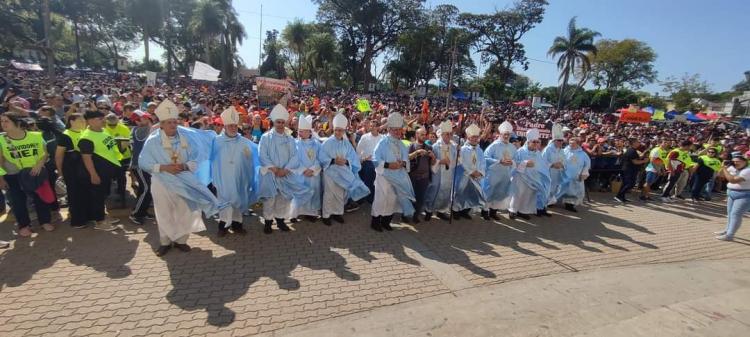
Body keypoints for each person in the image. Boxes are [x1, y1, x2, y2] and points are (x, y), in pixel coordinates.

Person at [139, 99, 227, 256]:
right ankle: (165, 242)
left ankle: (181, 240)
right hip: (162, 181)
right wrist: (165, 168)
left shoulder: (187, 137)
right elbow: (144, 162)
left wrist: (185, 166)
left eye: (175, 121)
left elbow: (197, 157)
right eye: (169, 122)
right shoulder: (153, 141)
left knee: (185, 210)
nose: (173, 125)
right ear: (162, 124)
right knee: (164, 211)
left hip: (184, 178)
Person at [257, 104, 312, 234]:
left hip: (285, 174)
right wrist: (275, 169)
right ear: (273, 122)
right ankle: (268, 222)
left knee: (283, 198)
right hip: (271, 174)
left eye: (282, 122)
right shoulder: (266, 137)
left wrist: (285, 170)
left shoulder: (290, 138)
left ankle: (280, 220)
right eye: (278, 122)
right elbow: (262, 154)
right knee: (270, 199)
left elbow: (295, 156)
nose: (280, 124)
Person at [0, 112, 55, 237]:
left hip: (35, 172)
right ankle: (24, 225)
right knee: (18, 201)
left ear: (18, 123)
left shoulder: (35, 135)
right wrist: (1, 178)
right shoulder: (1, 139)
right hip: (13, 174)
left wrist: (39, 164)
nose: (3, 124)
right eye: (2, 121)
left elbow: (44, 153)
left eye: (6, 121)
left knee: (40, 197)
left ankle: (45, 221)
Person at [211, 106, 258, 237]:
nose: (233, 128)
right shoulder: (216, 141)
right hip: (223, 178)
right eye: (230, 126)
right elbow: (210, 159)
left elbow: (251, 159)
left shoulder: (244, 142)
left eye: (235, 126)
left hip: (239, 177)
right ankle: (223, 226)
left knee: (238, 200)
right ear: (225, 126)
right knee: (224, 202)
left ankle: (237, 225)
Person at [319, 113, 370, 226]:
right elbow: (321, 157)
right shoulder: (327, 143)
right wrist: (333, 161)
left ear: (344, 130)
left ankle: (337, 213)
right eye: (336, 130)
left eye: (341, 130)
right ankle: (326, 215)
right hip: (330, 172)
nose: (338, 132)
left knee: (340, 193)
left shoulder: (347, 144)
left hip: (343, 172)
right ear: (334, 129)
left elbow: (353, 158)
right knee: (329, 194)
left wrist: (347, 161)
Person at [371, 112, 415, 232]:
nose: (397, 132)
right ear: (389, 129)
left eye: (399, 130)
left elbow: (406, 159)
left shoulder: (401, 144)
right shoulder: (382, 142)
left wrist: (403, 164)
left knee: (392, 199)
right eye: (394, 130)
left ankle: (386, 222)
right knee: (381, 198)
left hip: (398, 176)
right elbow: (375, 159)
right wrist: (388, 165)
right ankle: (375, 222)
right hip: (384, 176)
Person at [79, 109, 122, 230]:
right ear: (90, 121)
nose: (104, 120)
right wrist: (93, 174)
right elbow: (86, 158)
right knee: (97, 196)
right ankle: (99, 222)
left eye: (103, 118)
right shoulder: (86, 138)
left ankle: (102, 216)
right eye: (100, 119)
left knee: (103, 195)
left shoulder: (103, 130)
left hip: (107, 171)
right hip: (98, 172)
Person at [509, 129, 551, 220]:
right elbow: (514, 163)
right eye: (534, 142)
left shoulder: (538, 153)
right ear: (528, 142)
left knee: (529, 195)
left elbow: (542, 165)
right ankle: (513, 210)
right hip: (521, 177)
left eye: (537, 142)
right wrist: (525, 163)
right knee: (518, 194)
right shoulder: (520, 151)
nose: (536, 143)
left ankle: (523, 211)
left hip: (534, 179)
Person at [55, 113, 88, 228]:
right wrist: (60, 172)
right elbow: (59, 156)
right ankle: (77, 220)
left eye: (84, 120)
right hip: (71, 169)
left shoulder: (83, 132)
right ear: (72, 121)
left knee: (84, 192)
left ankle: (85, 216)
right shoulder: (66, 135)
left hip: (83, 168)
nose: (83, 122)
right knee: (74, 194)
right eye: (80, 120)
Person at [482, 121, 516, 220]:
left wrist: (512, 162)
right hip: (493, 174)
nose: (506, 136)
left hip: (505, 174)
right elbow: (485, 157)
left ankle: (493, 211)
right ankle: (484, 211)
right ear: (500, 134)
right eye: (505, 134)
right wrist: (499, 161)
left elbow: (516, 160)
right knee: (490, 192)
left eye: (508, 135)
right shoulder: (494, 145)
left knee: (500, 193)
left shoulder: (512, 147)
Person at [452, 124, 487, 220]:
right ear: (468, 137)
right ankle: (455, 210)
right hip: (465, 176)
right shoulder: (463, 149)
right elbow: (461, 162)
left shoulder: (480, 150)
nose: (475, 139)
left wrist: (480, 172)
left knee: (472, 194)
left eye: (476, 137)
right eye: (473, 137)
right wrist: (471, 172)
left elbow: (483, 162)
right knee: (461, 193)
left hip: (476, 176)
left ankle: (465, 211)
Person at [424, 121, 457, 221]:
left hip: (448, 173)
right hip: (437, 173)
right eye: (447, 134)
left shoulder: (453, 146)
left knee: (446, 192)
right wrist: (440, 161)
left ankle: (441, 211)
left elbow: (455, 160)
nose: (449, 136)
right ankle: (428, 210)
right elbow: (430, 161)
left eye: (451, 134)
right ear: (442, 134)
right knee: (434, 191)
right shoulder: (435, 146)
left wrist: (458, 155)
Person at [291, 115, 322, 221]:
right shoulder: (295, 144)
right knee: (299, 192)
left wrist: (313, 169)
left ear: (309, 132)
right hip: (300, 174)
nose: (300, 133)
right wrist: (303, 169)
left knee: (313, 191)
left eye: (303, 131)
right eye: (299, 131)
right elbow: (293, 159)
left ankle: (311, 213)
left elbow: (320, 158)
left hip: (313, 174)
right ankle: (296, 213)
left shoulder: (317, 144)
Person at [715, 152, 750, 241]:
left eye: (738, 161)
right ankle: (727, 230)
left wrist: (725, 169)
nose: (736, 163)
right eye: (734, 161)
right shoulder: (732, 168)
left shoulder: (747, 170)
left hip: (744, 195)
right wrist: (723, 167)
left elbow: (733, 180)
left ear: (745, 162)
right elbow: (720, 176)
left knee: (736, 215)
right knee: (730, 214)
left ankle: (730, 235)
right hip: (731, 194)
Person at [129, 113, 156, 225]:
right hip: (139, 165)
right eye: (142, 118)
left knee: (143, 189)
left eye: (146, 117)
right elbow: (154, 127)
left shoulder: (145, 128)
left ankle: (142, 211)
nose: (146, 119)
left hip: (144, 164)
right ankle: (136, 214)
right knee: (147, 189)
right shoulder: (139, 130)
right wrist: (165, 119)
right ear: (136, 121)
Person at [553, 137, 591, 212]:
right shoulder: (563, 151)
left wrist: (584, 173)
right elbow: (558, 160)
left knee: (572, 191)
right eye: (570, 143)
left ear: (578, 144)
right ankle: (552, 202)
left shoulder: (583, 154)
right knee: (559, 189)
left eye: (573, 143)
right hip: (563, 175)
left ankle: (569, 205)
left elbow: (587, 165)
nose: (571, 145)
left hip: (575, 177)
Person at [407, 127, 435, 223]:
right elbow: (406, 159)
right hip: (413, 176)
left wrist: (433, 157)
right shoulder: (411, 146)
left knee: (420, 198)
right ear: (416, 135)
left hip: (424, 177)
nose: (424, 136)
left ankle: (416, 215)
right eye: (421, 134)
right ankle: (406, 214)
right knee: (410, 196)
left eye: (425, 134)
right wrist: (417, 152)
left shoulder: (429, 147)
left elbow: (432, 163)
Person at [104, 112, 132, 206]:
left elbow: (127, 141)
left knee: (121, 176)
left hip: (123, 156)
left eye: (114, 124)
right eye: (110, 125)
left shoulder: (123, 128)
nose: (112, 126)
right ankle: (106, 193)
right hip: (108, 157)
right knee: (107, 176)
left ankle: (122, 194)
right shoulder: (103, 128)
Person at [356, 119, 383, 204]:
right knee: (367, 182)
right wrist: (363, 158)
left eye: (374, 126)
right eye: (371, 125)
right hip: (368, 163)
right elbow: (358, 150)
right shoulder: (365, 137)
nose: (371, 127)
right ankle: (366, 199)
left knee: (376, 183)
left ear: (378, 127)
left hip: (378, 164)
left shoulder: (382, 138)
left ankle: (373, 199)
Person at [615, 138, 648, 203]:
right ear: (633, 143)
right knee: (629, 184)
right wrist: (644, 161)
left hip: (631, 169)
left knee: (626, 184)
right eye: (637, 142)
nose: (639, 143)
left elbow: (637, 158)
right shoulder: (631, 151)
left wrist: (644, 154)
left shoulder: (633, 150)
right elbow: (635, 162)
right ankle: (619, 196)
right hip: (628, 170)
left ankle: (621, 197)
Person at [542, 124, 565, 209]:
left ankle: (549, 202)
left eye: (562, 141)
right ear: (554, 140)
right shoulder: (548, 149)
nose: (561, 142)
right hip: (549, 172)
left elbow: (564, 160)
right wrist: (552, 165)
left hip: (557, 172)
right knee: (547, 188)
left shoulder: (561, 150)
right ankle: (543, 205)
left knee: (554, 187)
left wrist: (562, 164)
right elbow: (543, 161)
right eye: (559, 140)